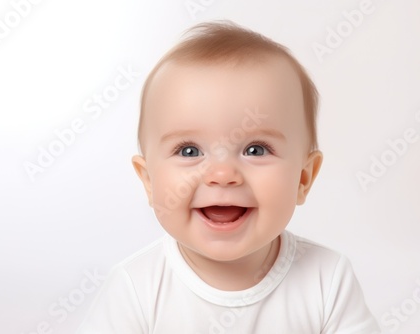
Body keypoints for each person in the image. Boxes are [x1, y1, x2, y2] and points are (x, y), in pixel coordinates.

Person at [77, 20, 380, 334]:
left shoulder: (327, 279)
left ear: (303, 178)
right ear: (149, 181)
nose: (222, 175)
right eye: (190, 151)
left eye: (256, 150)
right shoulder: (135, 289)